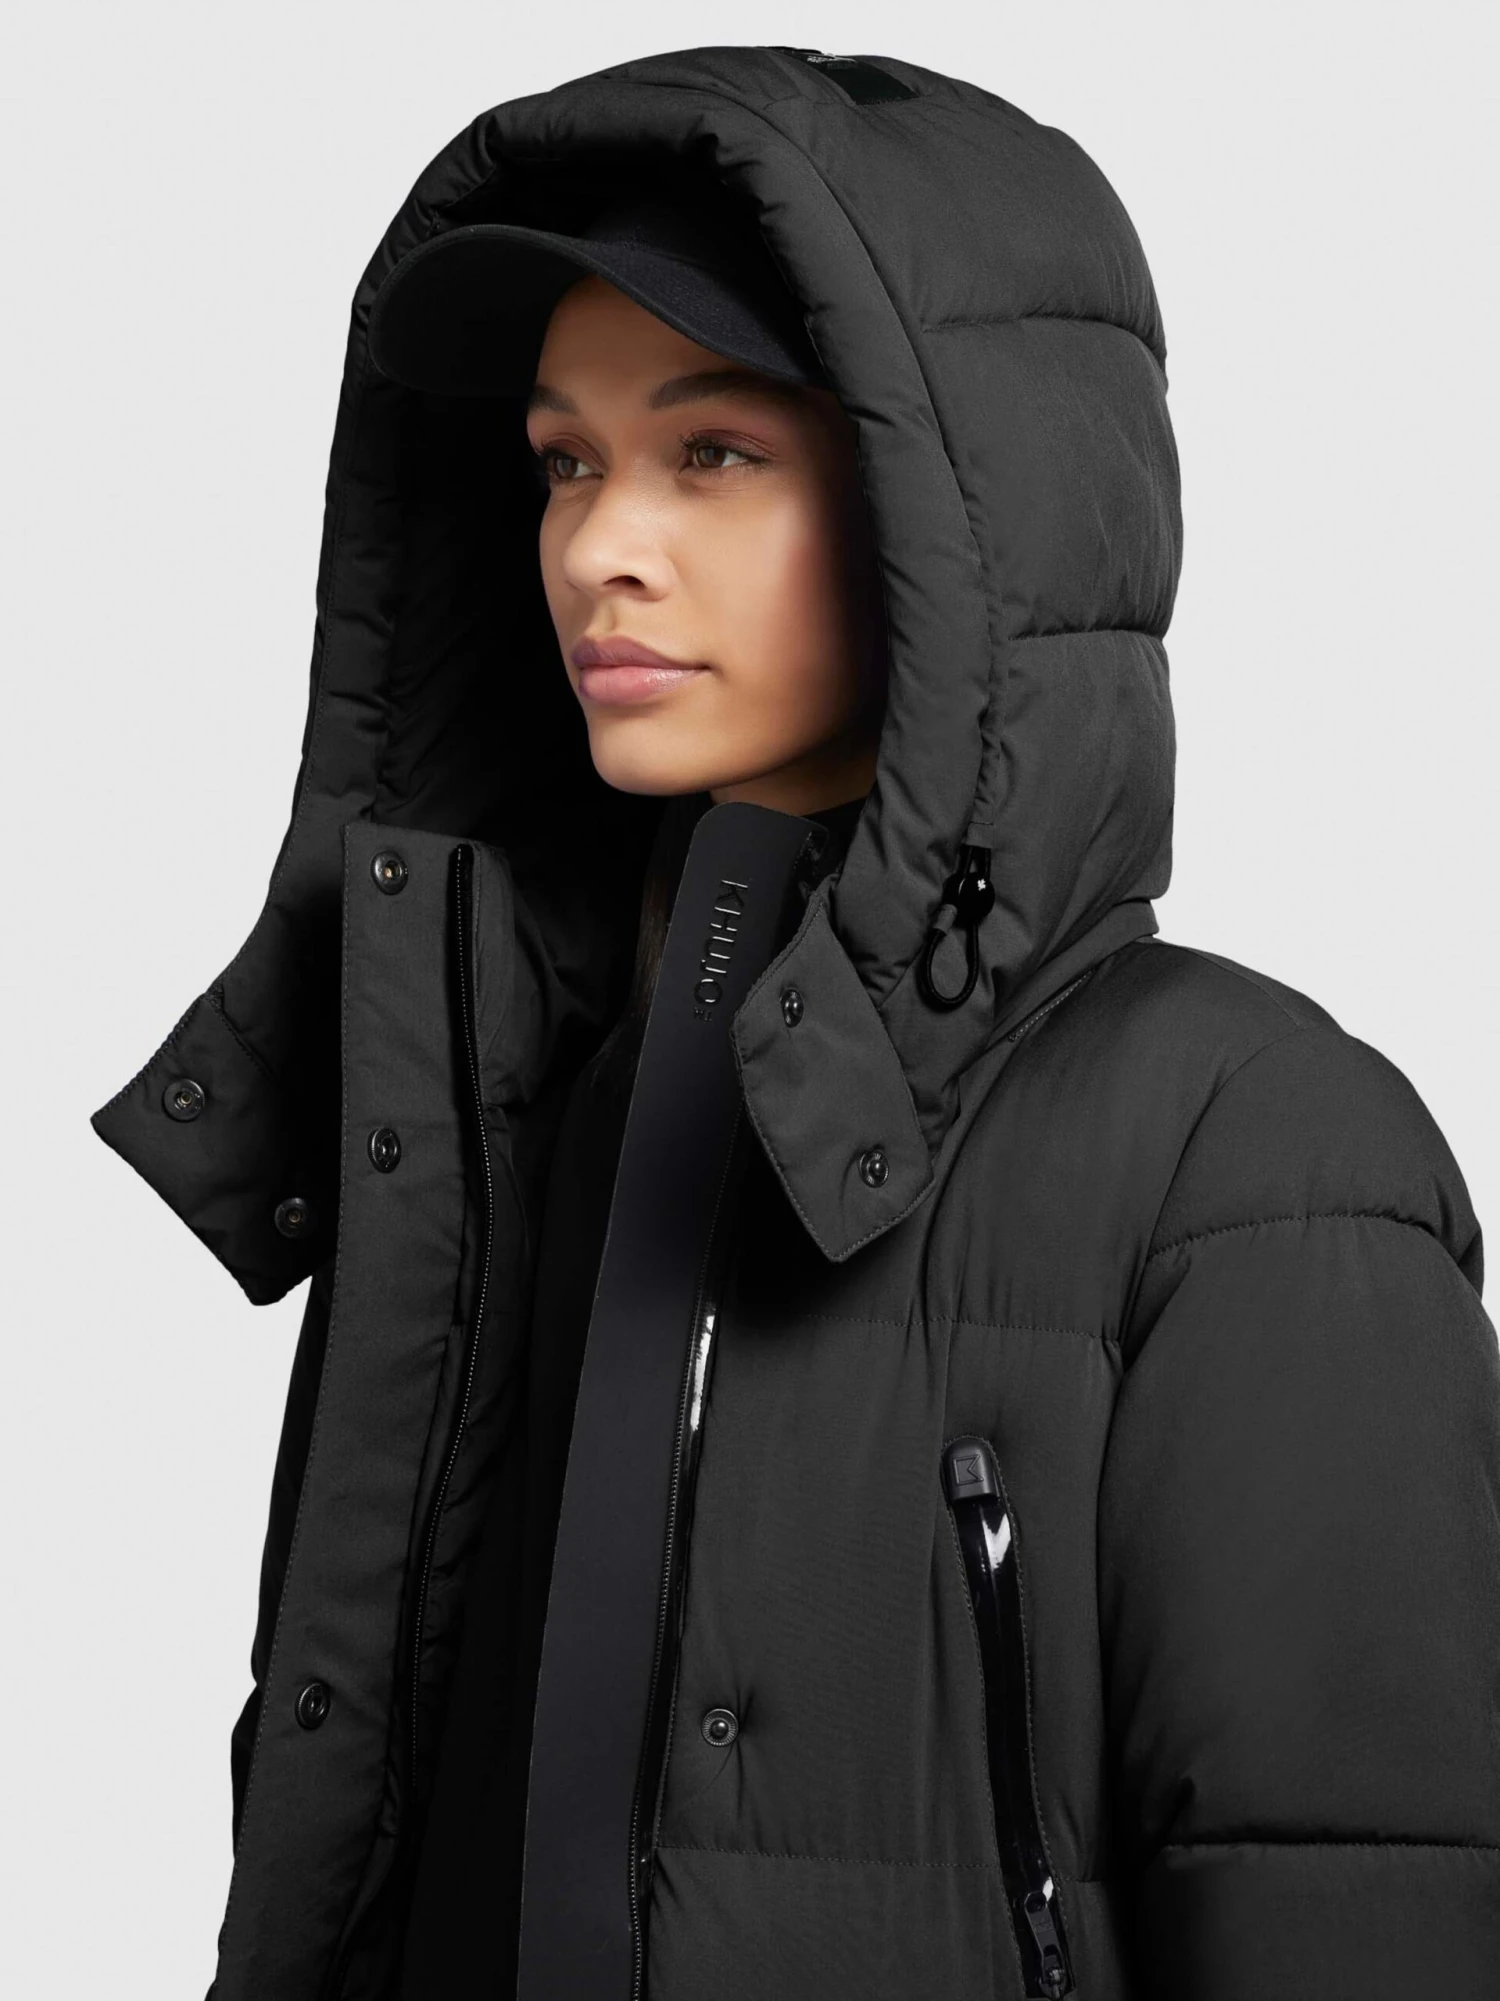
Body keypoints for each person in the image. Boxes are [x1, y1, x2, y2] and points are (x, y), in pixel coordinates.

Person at [89, 44, 1500, 2001]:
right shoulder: (490, 1117)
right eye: (564, 462)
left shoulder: (1255, 1155)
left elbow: (1355, 1903)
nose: (601, 545)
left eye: (714, 455)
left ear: (960, 518)